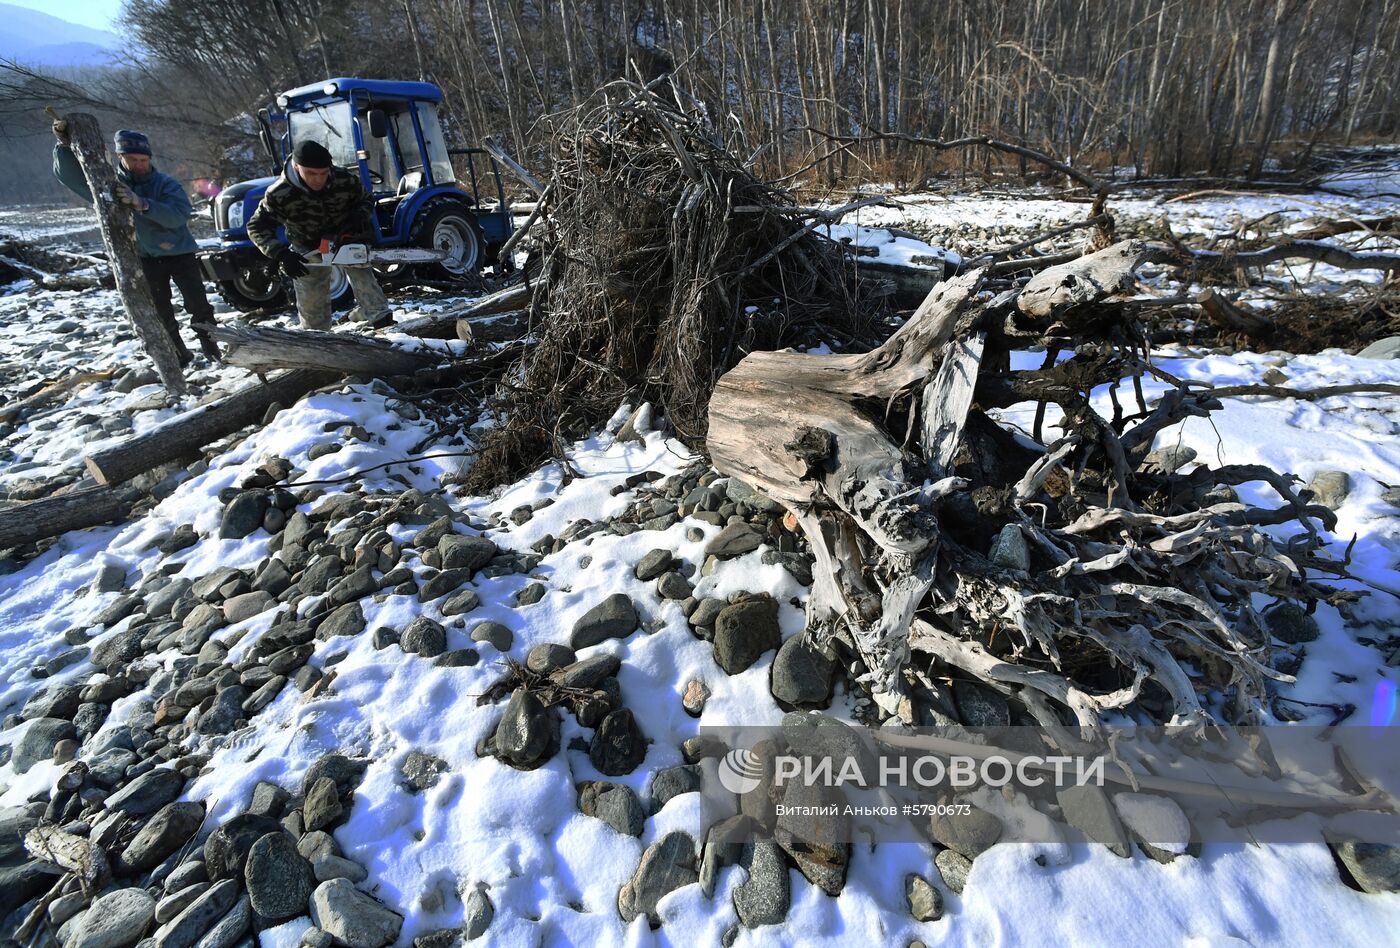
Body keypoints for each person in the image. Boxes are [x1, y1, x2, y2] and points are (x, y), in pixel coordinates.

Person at [52, 123, 219, 363]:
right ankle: (179, 356)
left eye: (144, 160)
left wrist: (143, 204)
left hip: (180, 253)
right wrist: (64, 145)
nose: (140, 165)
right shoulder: (109, 184)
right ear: (120, 157)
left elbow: (178, 215)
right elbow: (71, 177)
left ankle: (213, 352)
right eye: (134, 160)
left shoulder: (165, 184)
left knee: (199, 306)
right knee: (161, 311)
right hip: (145, 257)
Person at [246, 140, 391, 331]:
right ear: (297, 167)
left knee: (362, 275)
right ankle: (318, 338)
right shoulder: (279, 193)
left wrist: (359, 216)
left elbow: (365, 199)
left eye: (323, 173)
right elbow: (256, 226)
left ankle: (383, 323)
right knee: (312, 301)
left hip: (345, 236)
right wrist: (280, 254)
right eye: (311, 174)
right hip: (306, 245)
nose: (318, 179)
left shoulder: (344, 179)